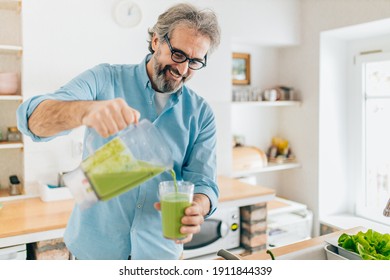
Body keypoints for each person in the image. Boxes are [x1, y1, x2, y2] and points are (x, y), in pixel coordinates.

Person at [16, 3, 220, 260]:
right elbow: (31, 119)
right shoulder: (105, 79)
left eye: (194, 61)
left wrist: (198, 207)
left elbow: (204, 182)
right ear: (156, 40)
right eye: (178, 54)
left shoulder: (201, 113)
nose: (182, 69)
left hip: (159, 256)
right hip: (94, 254)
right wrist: (84, 111)